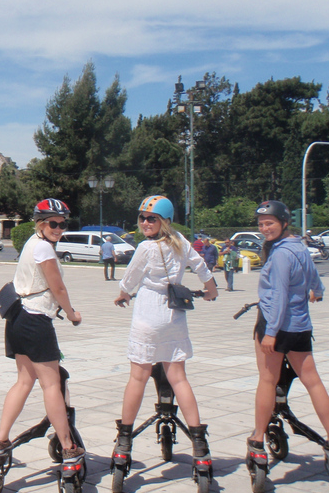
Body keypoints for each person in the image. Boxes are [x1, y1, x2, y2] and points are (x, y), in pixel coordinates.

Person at [112, 195, 217, 468]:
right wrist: (212, 291)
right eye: (142, 217)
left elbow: (130, 278)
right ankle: (199, 441)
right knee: (178, 379)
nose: (145, 223)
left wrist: (123, 294)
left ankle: (124, 440)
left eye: (151, 218)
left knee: (138, 377)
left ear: (164, 221)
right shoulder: (182, 242)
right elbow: (202, 266)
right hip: (173, 314)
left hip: (148, 312)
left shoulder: (146, 247)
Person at [246, 200, 329, 466]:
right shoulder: (299, 247)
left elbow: (277, 295)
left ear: (284, 223)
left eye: (270, 223)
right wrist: (318, 290)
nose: (265, 228)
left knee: (268, 380)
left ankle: (257, 438)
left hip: (274, 325)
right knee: (313, 382)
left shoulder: (279, 254)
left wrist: (271, 333)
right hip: (300, 325)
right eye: (261, 225)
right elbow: (313, 274)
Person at [0, 198, 84, 462]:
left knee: (24, 381)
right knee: (51, 384)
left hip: (17, 318)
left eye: (62, 224)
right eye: (53, 223)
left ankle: (0, 440)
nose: (58, 228)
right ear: (40, 223)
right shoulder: (43, 249)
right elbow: (58, 288)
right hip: (36, 321)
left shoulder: (31, 243)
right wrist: (71, 314)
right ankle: (67, 446)